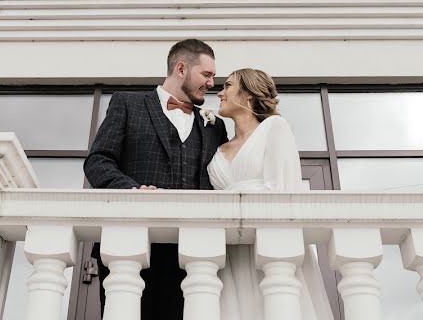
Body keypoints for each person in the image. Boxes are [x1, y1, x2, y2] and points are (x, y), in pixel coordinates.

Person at [83, 39, 229, 320]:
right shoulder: (128, 104)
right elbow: (98, 161)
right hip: (131, 249)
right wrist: (133, 190)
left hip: (194, 256)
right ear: (181, 68)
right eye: (207, 75)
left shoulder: (214, 126)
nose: (212, 83)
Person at [209, 68, 335, 320]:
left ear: (248, 95)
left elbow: (284, 192)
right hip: (228, 250)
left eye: (228, 86)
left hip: (268, 244)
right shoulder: (218, 147)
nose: (220, 92)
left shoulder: (274, 128)